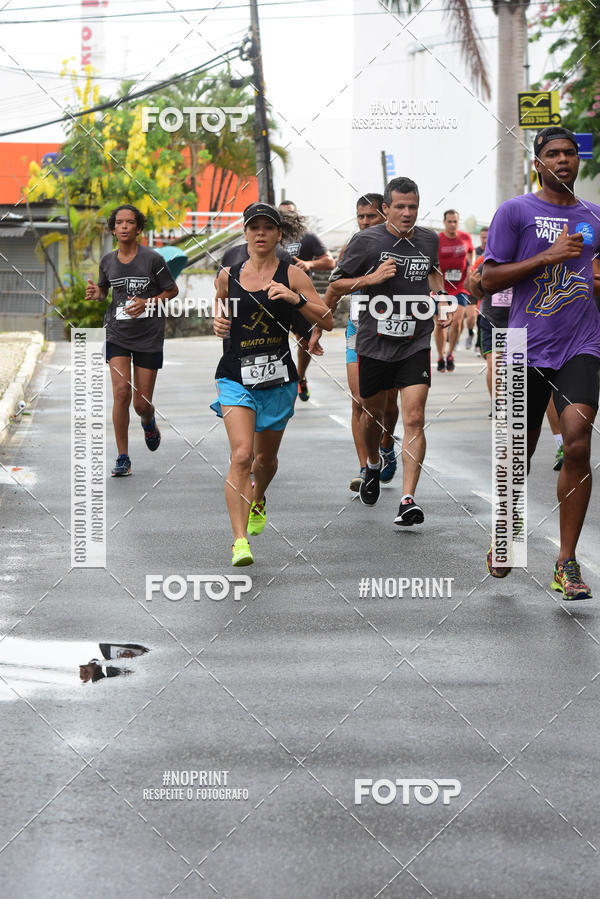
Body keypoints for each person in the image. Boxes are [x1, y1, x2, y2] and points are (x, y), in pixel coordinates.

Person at [482, 125, 600, 599]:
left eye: (570, 153)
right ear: (538, 163)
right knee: (517, 456)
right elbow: (488, 279)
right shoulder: (516, 212)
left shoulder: (594, 215)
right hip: (521, 345)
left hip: (582, 344)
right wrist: (548, 256)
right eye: (553, 154)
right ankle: (505, 536)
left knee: (576, 444)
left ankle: (566, 562)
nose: (563, 160)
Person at [212, 203, 332, 566]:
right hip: (235, 376)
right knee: (242, 455)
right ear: (245, 234)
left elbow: (326, 319)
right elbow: (219, 304)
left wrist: (295, 299)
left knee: (265, 460)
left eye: (268, 227)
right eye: (254, 228)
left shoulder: (292, 274)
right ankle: (239, 541)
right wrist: (217, 322)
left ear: (279, 234)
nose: (261, 233)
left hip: (278, 378)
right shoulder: (227, 275)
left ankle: (258, 495)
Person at [334, 177, 453, 525]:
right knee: (372, 415)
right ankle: (372, 464)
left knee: (414, 416)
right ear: (385, 208)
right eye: (399, 206)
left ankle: (407, 499)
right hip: (374, 342)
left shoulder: (428, 239)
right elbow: (338, 284)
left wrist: (442, 301)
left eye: (412, 206)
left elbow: (433, 273)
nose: (406, 213)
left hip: (415, 339)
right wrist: (370, 280)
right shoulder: (366, 241)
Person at [86, 204, 178, 477]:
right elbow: (104, 291)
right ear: (113, 229)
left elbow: (171, 291)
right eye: (119, 223)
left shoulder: (153, 259)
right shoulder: (107, 261)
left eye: (130, 222)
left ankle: (148, 421)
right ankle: (122, 456)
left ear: (138, 228)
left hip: (149, 335)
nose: (124, 226)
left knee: (140, 404)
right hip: (118, 334)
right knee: (121, 393)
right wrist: (96, 292)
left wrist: (148, 302)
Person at [318, 193, 399, 491]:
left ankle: (387, 443)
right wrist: (318, 327)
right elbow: (335, 287)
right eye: (360, 216)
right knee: (360, 403)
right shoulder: (352, 247)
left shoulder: (399, 246)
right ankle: (367, 468)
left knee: (389, 405)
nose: (365, 222)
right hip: (357, 330)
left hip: (391, 332)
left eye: (371, 216)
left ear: (386, 214)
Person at [278, 200, 335, 401]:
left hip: (300, 296)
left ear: (297, 216)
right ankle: (277, 381)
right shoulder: (271, 237)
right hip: (274, 297)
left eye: (291, 214)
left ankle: (300, 377)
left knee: (305, 340)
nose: (287, 218)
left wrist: (309, 264)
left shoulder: (308, 238)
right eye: (282, 214)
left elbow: (330, 261)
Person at [435, 210, 474, 370]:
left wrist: (471, 266)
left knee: (457, 321)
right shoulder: (438, 240)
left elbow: (471, 251)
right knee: (441, 324)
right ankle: (440, 355)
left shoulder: (465, 237)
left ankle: (450, 353)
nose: (452, 224)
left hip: (460, 287)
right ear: (444, 222)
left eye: (455, 221)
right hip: (442, 289)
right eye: (449, 221)